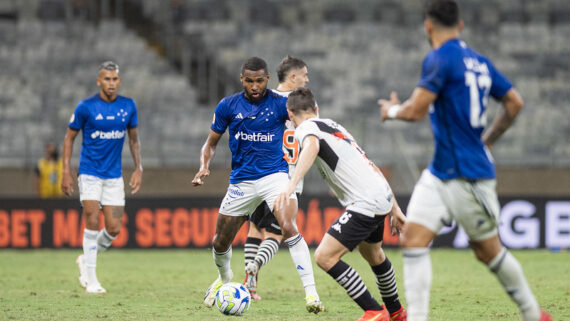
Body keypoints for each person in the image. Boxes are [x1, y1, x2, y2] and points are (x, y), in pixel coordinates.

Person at [377, 1, 552, 321]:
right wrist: (486, 142)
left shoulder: (439, 58)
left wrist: (390, 112)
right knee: (413, 239)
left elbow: (415, 111)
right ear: (460, 25)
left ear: (428, 27)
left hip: (467, 176)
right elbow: (514, 102)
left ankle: (533, 314)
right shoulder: (480, 62)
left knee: (488, 251)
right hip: (441, 171)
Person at [193, 57, 325, 314]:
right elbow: (210, 143)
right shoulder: (228, 105)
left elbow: (306, 128)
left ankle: (312, 294)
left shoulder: (280, 104)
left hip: (274, 177)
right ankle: (225, 278)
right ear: (242, 79)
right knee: (220, 242)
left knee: (288, 227)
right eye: (249, 81)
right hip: (241, 181)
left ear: (268, 80)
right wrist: (204, 165)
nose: (255, 86)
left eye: (260, 81)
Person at [275, 88, 408, 321]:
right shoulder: (336, 127)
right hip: (381, 196)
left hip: (365, 202)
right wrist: (395, 208)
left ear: (289, 113)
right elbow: (368, 164)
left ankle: (374, 311)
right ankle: (397, 312)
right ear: (316, 109)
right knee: (374, 254)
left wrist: (290, 184)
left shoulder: (305, 128)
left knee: (325, 257)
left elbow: (312, 147)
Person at [61, 61, 143, 294]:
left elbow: (134, 139)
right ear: (99, 81)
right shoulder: (86, 107)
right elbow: (69, 138)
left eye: (115, 79)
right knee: (92, 221)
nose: (111, 83)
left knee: (115, 228)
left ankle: (84, 259)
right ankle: (92, 279)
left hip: (113, 175)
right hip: (89, 173)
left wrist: (139, 168)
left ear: (119, 81)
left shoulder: (128, 106)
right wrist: (66, 171)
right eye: (106, 79)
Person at [243, 55, 312, 301]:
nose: (307, 79)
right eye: (304, 74)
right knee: (276, 234)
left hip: (261, 174)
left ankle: (249, 286)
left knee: (253, 227)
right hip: (289, 180)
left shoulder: (264, 100)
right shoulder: (302, 106)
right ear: (293, 77)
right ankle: (257, 264)